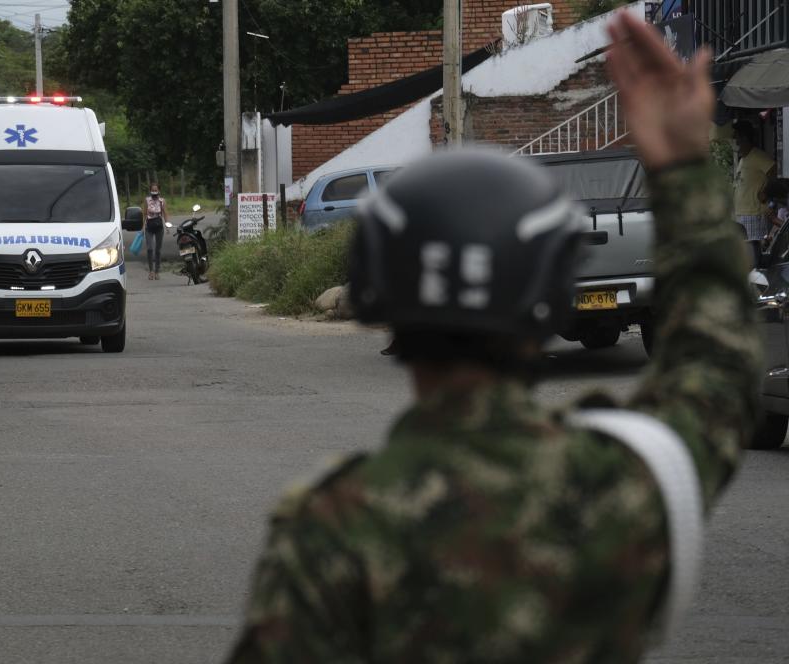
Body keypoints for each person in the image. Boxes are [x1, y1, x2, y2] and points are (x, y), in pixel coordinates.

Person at [225, 12, 760, 663]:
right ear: (545, 299)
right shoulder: (618, 488)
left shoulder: (335, 529)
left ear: (382, 305)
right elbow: (718, 371)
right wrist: (681, 168)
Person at [733, 120, 775, 243]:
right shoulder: (742, 160)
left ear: (745, 138)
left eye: (737, 137)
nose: (735, 141)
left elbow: (777, 174)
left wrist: (766, 192)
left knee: (754, 256)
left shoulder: (758, 156)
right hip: (741, 215)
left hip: (754, 215)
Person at [142, 183, 169, 280]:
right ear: (150, 191)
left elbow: (165, 212)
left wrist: (167, 224)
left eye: (156, 190)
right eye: (152, 190)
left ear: (159, 191)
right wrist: (142, 227)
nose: (154, 192)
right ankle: (151, 271)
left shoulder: (162, 201)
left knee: (158, 250)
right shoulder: (147, 200)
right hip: (149, 226)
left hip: (159, 226)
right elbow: (144, 213)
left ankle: (157, 271)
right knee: (149, 249)